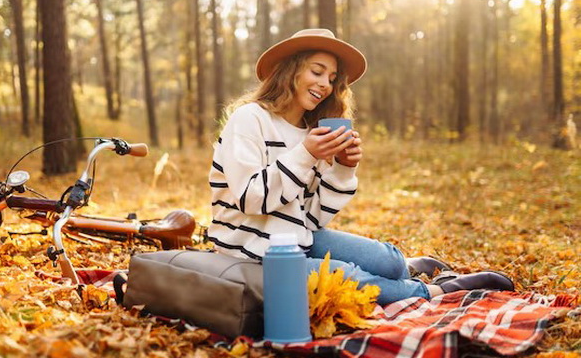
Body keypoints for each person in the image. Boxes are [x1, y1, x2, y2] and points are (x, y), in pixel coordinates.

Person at [208, 28, 514, 305]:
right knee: (344, 274)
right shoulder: (250, 118)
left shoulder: (309, 131)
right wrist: (305, 154)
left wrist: (343, 169)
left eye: (332, 78)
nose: (325, 84)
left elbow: (312, 219)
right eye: (317, 71)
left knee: (389, 262)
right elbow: (251, 198)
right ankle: (436, 291)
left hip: (296, 237)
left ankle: (405, 268)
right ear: (291, 70)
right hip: (253, 253)